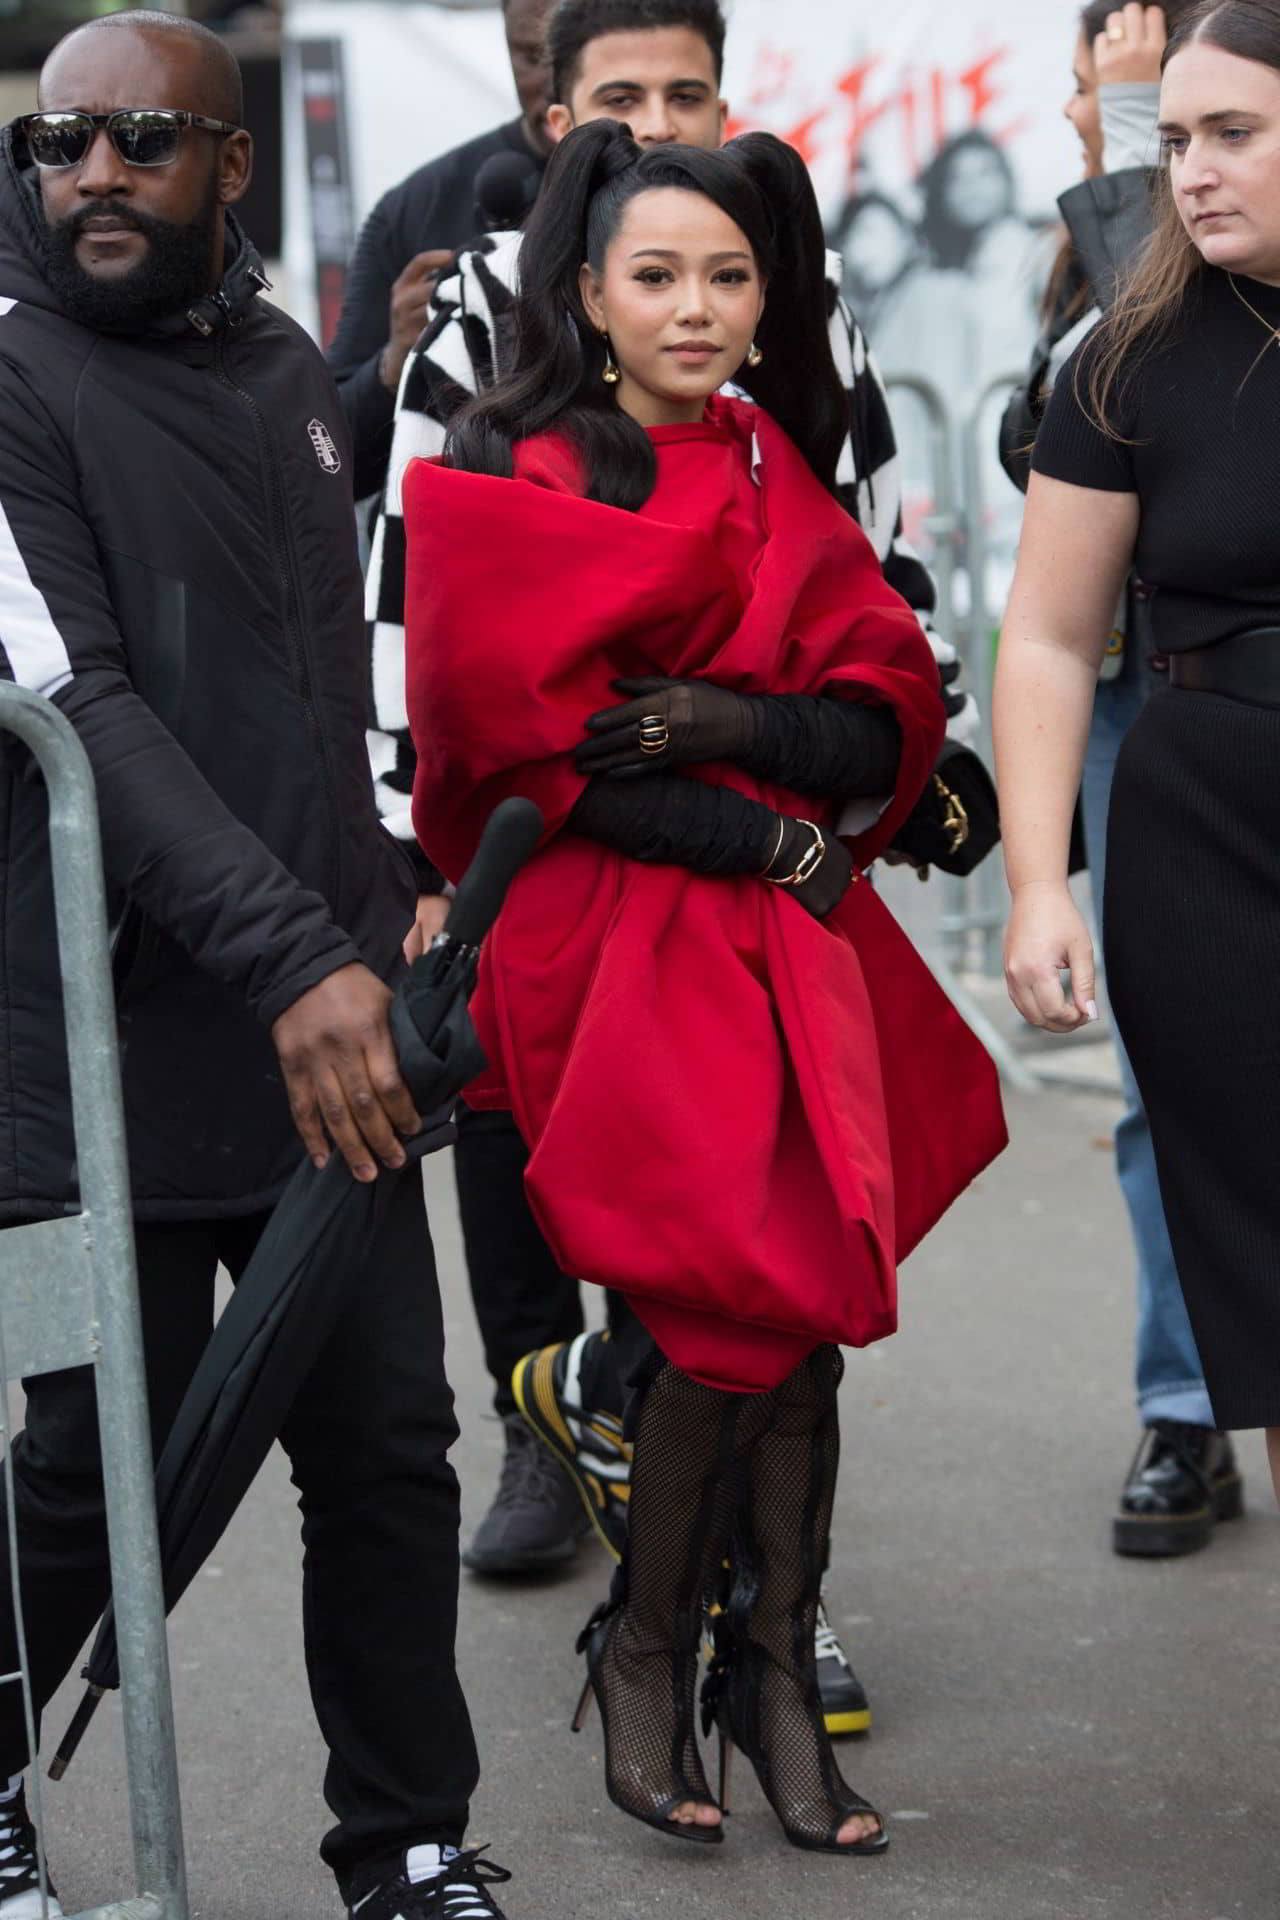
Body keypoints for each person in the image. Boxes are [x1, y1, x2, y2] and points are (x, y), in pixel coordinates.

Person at [403, 120, 1005, 1853]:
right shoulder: (523, 466)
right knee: (717, 1316)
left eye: (727, 278)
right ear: (585, 291)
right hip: (616, 938)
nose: (695, 307)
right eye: (656, 275)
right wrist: (768, 834)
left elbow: (881, 707)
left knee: (796, 1320)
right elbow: (532, 750)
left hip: (777, 936)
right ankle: (662, 1648)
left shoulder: (764, 462)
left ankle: (752, 1669)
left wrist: (736, 728)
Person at [0, 16, 510, 1919]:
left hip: (331, 1025)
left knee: (384, 1445)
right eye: (61, 147)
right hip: (99, 1022)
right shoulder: (8, 376)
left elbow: (319, 678)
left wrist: (392, 890)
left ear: (232, 168)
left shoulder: (291, 365)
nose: (95, 176)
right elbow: (86, 710)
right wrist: (305, 957)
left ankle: (409, 1845)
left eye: (144, 141)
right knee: (82, 1459)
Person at [996, 0, 1280, 1511]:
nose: (1192, 171)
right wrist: (1041, 886)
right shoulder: (1131, 357)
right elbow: (1047, 637)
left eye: (1233, 133)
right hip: (1209, 851)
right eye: (1173, 139)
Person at [326, 0, 556, 496]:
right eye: (532, 55)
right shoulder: (415, 209)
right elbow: (327, 458)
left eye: (571, 52)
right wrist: (395, 363)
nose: (555, 83)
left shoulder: (686, 194)